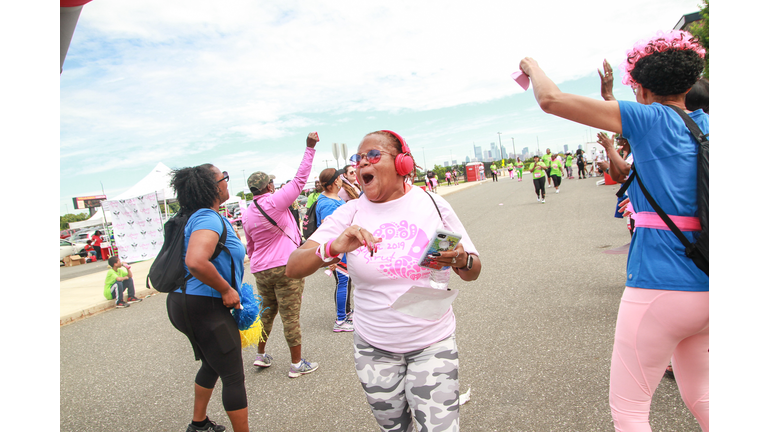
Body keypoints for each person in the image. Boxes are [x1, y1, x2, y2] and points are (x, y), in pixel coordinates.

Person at [519, 29, 709, 431]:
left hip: (659, 284)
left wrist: (532, 66)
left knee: (631, 412)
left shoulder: (648, 119)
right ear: (691, 80)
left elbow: (551, 99)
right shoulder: (708, 125)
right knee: (706, 397)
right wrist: (610, 96)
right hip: (710, 285)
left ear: (640, 89)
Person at [286, 130, 481, 432]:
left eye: (374, 155)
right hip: (374, 349)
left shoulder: (432, 204)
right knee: (393, 428)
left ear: (402, 163)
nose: (363, 162)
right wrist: (333, 247)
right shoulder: (350, 213)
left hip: (432, 342)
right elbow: (293, 266)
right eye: (359, 158)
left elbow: (473, 270)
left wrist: (460, 260)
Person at [166, 163, 249, 432]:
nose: (227, 182)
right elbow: (195, 261)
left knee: (212, 364)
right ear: (213, 187)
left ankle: (198, 423)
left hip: (187, 303)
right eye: (224, 177)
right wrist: (226, 289)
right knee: (233, 376)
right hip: (205, 306)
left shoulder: (202, 216)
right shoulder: (207, 218)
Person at [243, 132, 320, 378]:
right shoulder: (274, 202)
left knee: (266, 313)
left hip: (261, 270)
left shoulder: (247, 213)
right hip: (285, 267)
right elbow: (300, 180)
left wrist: (257, 263)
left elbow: (250, 246)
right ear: (268, 186)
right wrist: (309, 148)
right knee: (290, 315)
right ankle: (296, 364)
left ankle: (261, 355)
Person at [315, 167, 355, 332]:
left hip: (343, 249)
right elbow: (328, 231)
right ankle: (340, 320)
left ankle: (346, 312)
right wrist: (332, 256)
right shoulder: (327, 202)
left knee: (346, 282)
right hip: (337, 250)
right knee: (342, 282)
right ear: (334, 182)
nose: (341, 180)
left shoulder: (334, 198)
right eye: (339, 177)